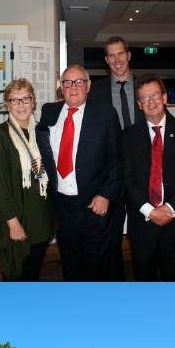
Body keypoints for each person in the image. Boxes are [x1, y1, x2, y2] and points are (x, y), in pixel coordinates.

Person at [36, 65, 121, 281]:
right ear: (62, 87)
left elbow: (118, 159)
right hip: (63, 206)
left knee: (97, 266)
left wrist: (105, 195)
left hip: (95, 205)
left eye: (79, 82)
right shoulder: (49, 112)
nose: (73, 87)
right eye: (68, 82)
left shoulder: (106, 114)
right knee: (71, 263)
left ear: (88, 85)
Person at [120, 73, 175, 280]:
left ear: (165, 97)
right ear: (139, 104)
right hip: (143, 223)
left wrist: (169, 209)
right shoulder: (128, 136)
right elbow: (125, 181)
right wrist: (150, 211)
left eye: (155, 95)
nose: (151, 102)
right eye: (145, 98)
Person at [0, 79, 57, 281]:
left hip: (40, 220)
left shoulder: (42, 132)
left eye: (25, 99)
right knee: (16, 276)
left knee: (32, 275)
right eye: (15, 100)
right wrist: (13, 224)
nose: (21, 105)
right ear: (7, 104)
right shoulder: (0, 136)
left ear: (33, 102)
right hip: (16, 220)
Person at [89, 36, 145, 279]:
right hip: (110, 175)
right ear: (106, 60)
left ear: (129, 55)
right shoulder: (97, 91)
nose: (117, 60)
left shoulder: (146, 86)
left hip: (141, 173)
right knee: (110, 240)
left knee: (143, 237)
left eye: (120, 54)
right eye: (111, 55)